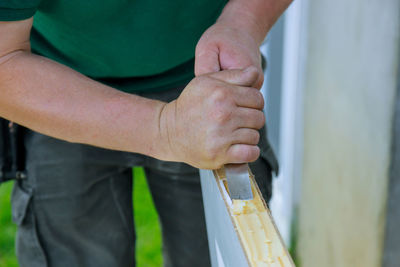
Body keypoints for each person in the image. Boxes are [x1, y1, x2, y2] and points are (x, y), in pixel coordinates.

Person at [0, 0, 291, 266]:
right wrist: (165, 129)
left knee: (226, 247)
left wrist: (243, 21)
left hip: (205, 84)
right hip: (56, 88)